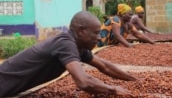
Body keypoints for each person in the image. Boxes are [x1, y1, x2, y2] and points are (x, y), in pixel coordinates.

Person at [0, 11, 137, 97]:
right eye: (95, 33)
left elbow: (104, 66)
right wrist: (113, 90)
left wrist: (133, 80)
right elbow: (83, 82)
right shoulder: (65, 43)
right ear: (81, 31)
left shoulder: (79, 46)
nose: (99, 37)